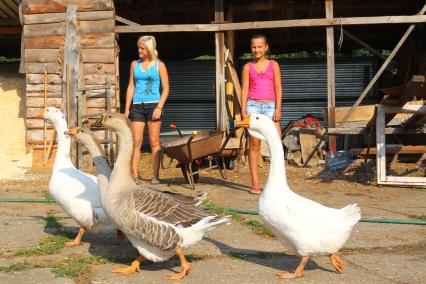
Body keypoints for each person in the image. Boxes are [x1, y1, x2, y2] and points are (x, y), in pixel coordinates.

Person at [124, 35, 169, 185]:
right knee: (136, 142)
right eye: (138, 47)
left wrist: (159, 107)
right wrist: (126, 109)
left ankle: (155, 176)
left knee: (154, 142)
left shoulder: (159, 65)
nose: (139, 50)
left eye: (142, 48)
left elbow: (166, 89)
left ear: (149, 49)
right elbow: (131, 86)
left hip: (153, 106)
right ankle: (134, 176)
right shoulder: (133, 64)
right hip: (137, 106)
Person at [241, 34, 283, 194]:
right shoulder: (247, 67)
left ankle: (277, 185)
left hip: (270, 107)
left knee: (276, 145)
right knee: (254, 145)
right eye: (253, 47)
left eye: (259, 46)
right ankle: (255, 184)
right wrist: (243, 110)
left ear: (266, 47)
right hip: (253, 107)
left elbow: (278, 87)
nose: (256, 49)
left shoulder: (274, 65)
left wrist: (278, 108)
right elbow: (244, 89)